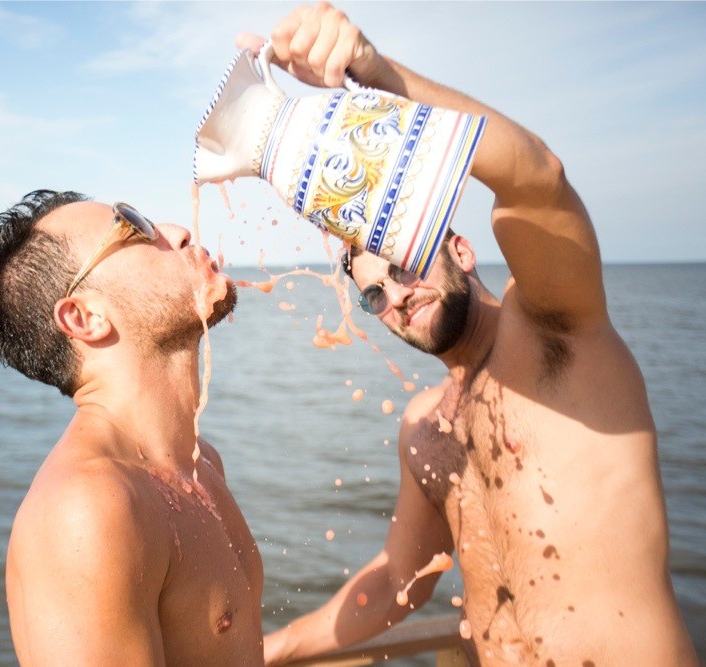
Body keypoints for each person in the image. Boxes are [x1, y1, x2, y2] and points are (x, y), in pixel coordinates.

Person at [240, 4, 698, 666]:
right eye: (375, 294)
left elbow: (537, 178)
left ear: (459, 247)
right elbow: (398, 582)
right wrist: (269, 648)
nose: (397, 296)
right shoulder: (424, 427)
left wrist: (377, 75)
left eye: (403, 267)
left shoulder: (553, 330)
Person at [0, 190, 263, 665]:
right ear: (84, 317)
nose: (178, 232)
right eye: (134, 227)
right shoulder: (86, 509)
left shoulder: (201, 462)